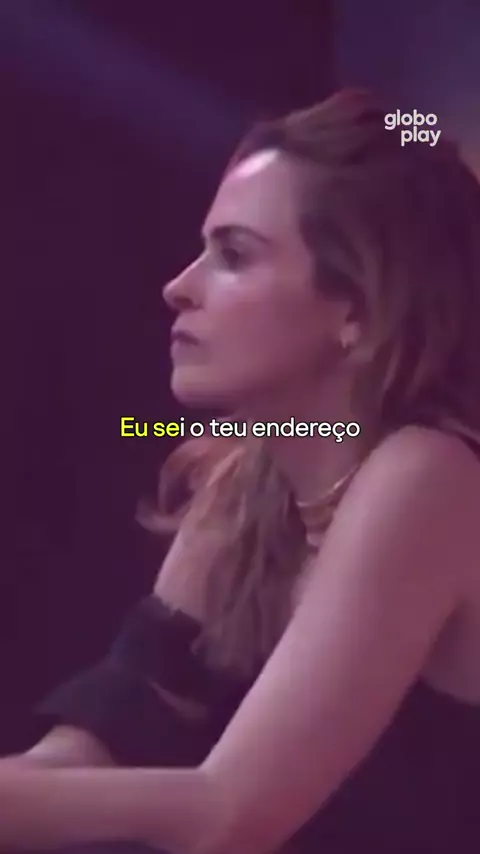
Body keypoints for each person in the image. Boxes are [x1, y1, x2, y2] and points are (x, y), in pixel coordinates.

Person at [2, 87, 480, 854]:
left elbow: (228, 814)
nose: (179, 287)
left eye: (233, 255)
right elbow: (89, 749)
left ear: (357, 307)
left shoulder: (429, 477)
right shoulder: (242, 488)